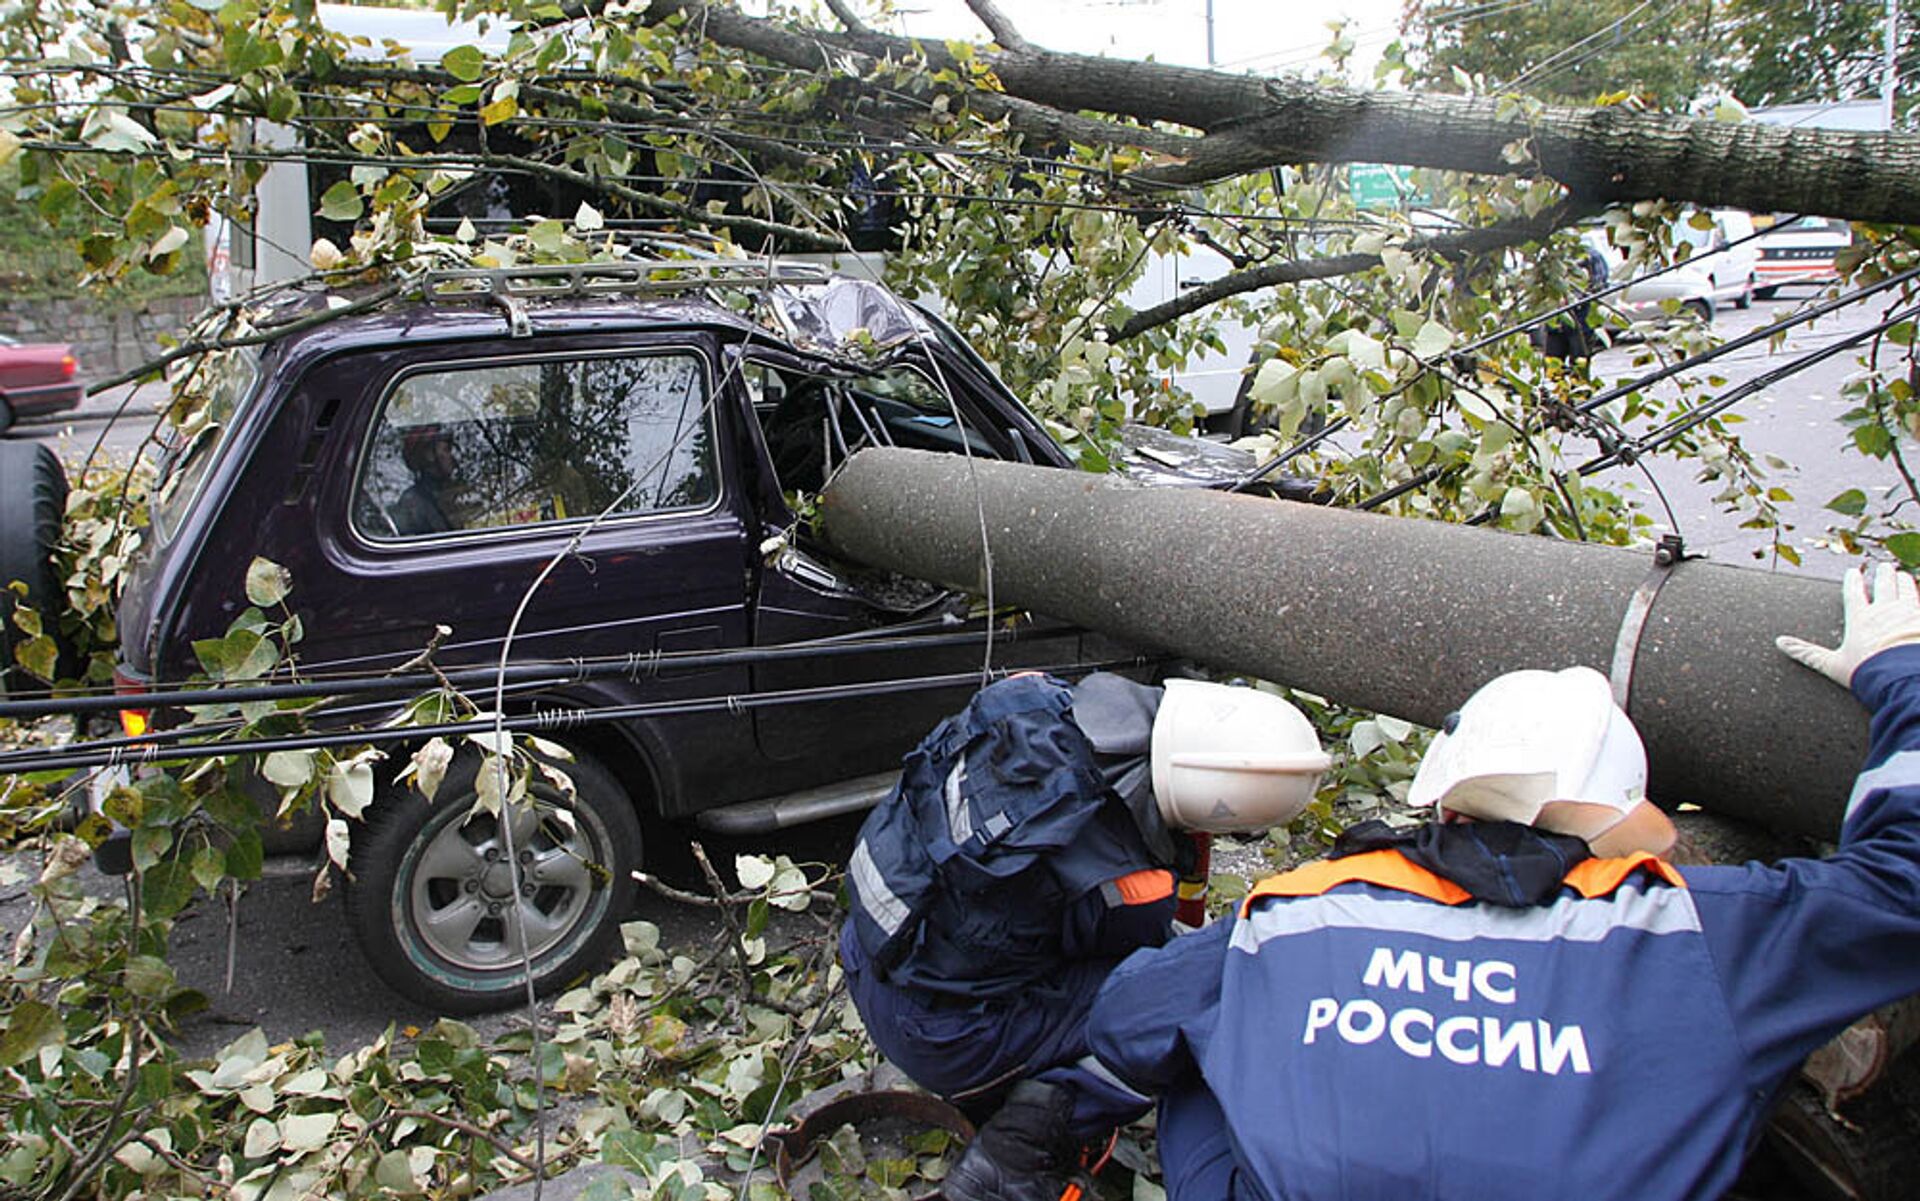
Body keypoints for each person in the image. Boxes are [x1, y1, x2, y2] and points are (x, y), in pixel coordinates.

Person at [1085, 562, 1920, 1201]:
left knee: (1194, 1048)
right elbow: (1903, 884)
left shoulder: (1296, 914)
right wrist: (1900, 673)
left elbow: (1126, 1020)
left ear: (1446, 799)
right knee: (1727, 1067)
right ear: (1616, 825)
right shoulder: (1694, 935)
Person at [840, 671, 1331, 1201]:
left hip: (871, 948)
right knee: (1187, 1006)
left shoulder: (1024, 697)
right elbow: (1152, 987)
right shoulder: (1128, 882)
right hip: (939, 1037)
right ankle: (1014, 1154)